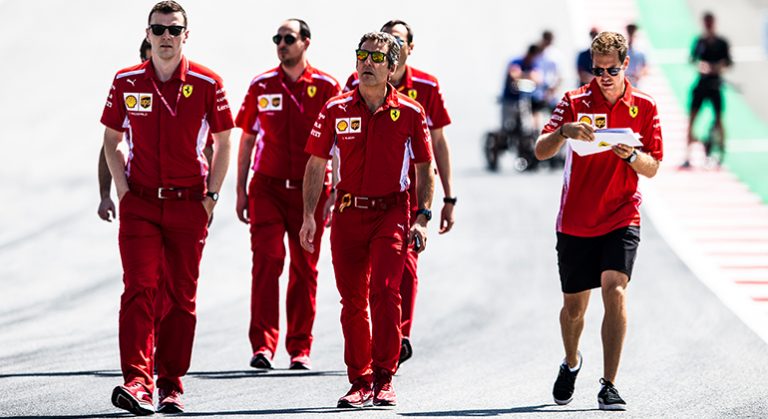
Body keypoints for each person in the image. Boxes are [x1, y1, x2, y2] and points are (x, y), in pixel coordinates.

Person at [101, 1, 233, 414]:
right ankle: (137, 382)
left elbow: (225, 142)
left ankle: (171, 385)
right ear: (148, 34)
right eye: (158, 30)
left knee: (180, 297)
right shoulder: (126, 81)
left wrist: (211, 197)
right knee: (138, 289)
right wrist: (123, 192)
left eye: (174, 30)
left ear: (185, 36)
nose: (166, 37)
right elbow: (111, 139)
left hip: (188, 204)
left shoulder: (208, 82)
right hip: (140, 203)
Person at [300, 32, 434, 408]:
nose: (367, 63)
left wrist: (422, 217)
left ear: (392, 67)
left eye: (376, 58)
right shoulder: (335, 109)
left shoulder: (410, 111)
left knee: (386, 292)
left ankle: (384, 377)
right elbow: (316, 163)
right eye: (362, 56)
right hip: (348, 213)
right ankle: (359, 380)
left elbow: (425, 167)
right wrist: (309, 215)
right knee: (353, 299)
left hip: (391, 213)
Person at [533, 31, 663, 411]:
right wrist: (563, 132)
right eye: (597, 70)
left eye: (612, 70)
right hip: (576, 219)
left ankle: (609, 384)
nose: (604, 77)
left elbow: (653, 166)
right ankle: (571, 361)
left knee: (615, 289)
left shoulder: (644, 106)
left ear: (626, 65)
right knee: (575, 310)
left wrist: (632, 157)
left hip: (622, 213)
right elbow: (540, 150)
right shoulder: (574, 101)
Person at [342, 19, 455, 366]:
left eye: (399, 40)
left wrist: (447, 198)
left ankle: (399, 336)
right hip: (364, 192)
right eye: (387, 38)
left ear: (409, 48)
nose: (392, 43)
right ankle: (378, 342)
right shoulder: (358, 81)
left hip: (408, 193)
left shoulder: (426, 86)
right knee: (370, 279)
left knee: (404, 266)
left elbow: (438, 144)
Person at [234, 19, 340, 371]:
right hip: (267, 187)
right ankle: (263, 346)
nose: (281, 44)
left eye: (288, 38)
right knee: (267, 260)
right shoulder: (262, 85)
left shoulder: (327, 86)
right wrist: (240, 190)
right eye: (277, 38)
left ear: (306, 42)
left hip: (311, 191)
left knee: (305, 268)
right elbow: (247, 139)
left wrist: (336, 190)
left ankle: (299, 348)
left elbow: (341, 144)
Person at [98, 39, 214, 222]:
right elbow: (110, 144)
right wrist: (107, 195)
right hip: (141, 198)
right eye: (150, 60)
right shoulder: (132, 90)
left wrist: (209, 200)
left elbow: (207, 150)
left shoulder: (188, 93)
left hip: (183, 201)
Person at [682, 11, 732, 168]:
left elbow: (728, 62)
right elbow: (692, 59)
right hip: (702, 84)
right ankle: (688, 155)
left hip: (715, 84)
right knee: (692, 118)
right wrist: (702, 66)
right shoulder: (700, 41)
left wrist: (717, 67)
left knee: (719, 119)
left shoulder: (721, 42)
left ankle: (721, 153)